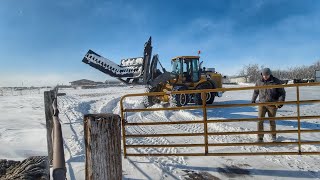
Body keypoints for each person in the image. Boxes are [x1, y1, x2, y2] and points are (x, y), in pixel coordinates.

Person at [251, 68, 286, 142]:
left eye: (267, 75)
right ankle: (260, 137)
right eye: (264, 75)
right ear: (262, 74)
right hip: (262, 104)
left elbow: (282, 93)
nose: (265, 76)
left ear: (270, 74)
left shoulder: (276, 81)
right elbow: (256, 92)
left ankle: (273, 136)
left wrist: (280, 102)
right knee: (260, 121)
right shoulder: (259, 82)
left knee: (272, 121)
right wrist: (253, 99)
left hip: (272, 104)